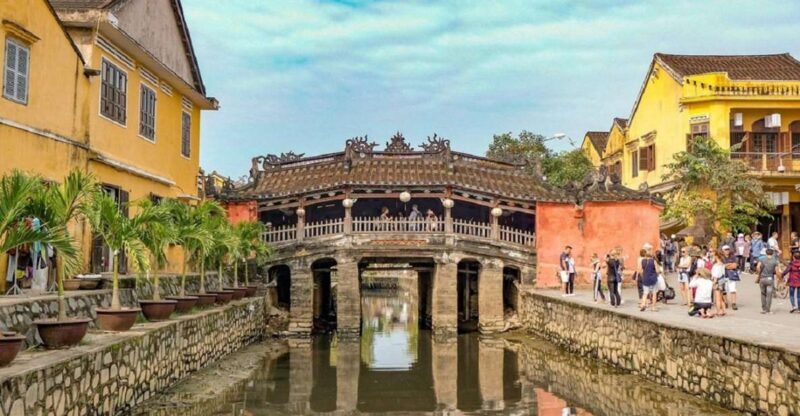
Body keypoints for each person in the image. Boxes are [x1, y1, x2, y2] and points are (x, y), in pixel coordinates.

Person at [756, 248, 780, 314]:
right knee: (769, 295)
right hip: (770, 279)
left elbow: (758, 267)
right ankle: (768, 309)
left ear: (766, 253)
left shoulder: (761, 259)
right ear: (772, 253)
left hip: (762, 278)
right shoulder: (775, 261)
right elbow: (777, 271)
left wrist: (759, 273)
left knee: (763, 293)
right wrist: (780, 278)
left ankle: (763, 308)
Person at [638, 244, 659, 312]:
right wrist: (657, 275)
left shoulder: (642, 261)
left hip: (645, 278)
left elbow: (640, 270)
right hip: (653, 278)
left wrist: (643, 276)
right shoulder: (653, 261)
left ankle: (643, 304)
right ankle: (653, 307)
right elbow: (657, 270)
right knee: (654, 293)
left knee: (645, 293)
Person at [720, 245, 740, 310]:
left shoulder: (733, 257)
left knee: (733, 289)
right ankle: (725, 302)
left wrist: (726, 265)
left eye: (728, 249)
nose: (727, 251)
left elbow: (734, 266)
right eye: (725, 249)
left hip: (731, 275)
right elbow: (721, 266)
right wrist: (729, 264)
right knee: (723, 290)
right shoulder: (721, 257)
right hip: (723, 275)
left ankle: (734, 303)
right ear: (722, 251)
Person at [711, 251, 727, 316]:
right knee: (721, 297)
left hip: (717, 281)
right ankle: (724, 310)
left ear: (716, 256)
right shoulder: (722, 264)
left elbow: (715, 276)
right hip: (722, 281)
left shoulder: (716, 265)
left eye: (714, 256)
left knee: (717, 298)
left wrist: (714, 283)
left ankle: (718, 311)